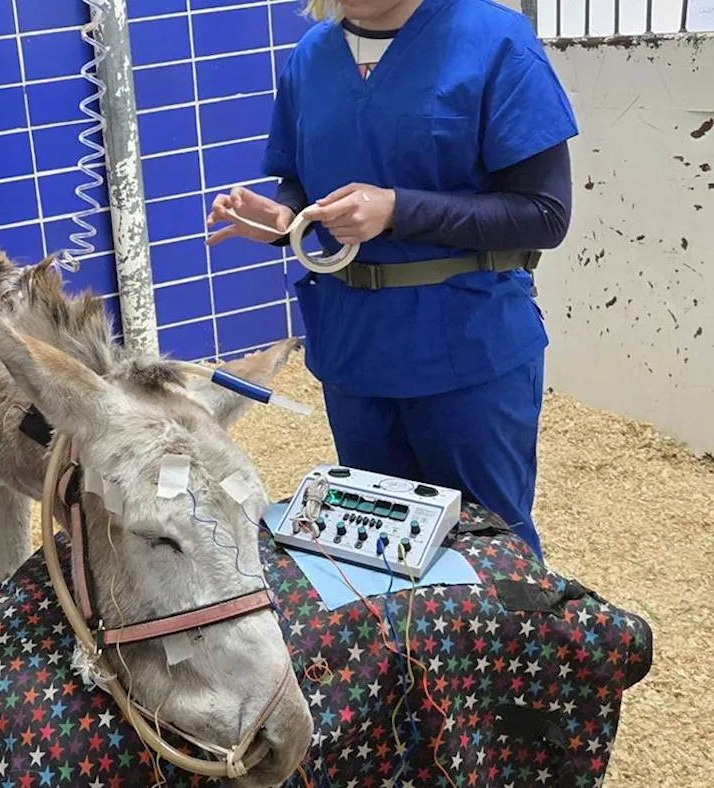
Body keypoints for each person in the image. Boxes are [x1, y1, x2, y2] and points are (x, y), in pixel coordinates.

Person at [206, 0, 577, 563]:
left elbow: (544, 214)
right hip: (355, 352)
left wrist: (399, 209)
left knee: (491, 553)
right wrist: (286, 222)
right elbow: (299, 182)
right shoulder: (312, 57)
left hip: (466, 347)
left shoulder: (496, 41)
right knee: (376, 549)